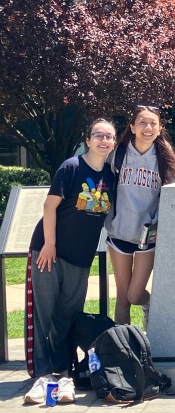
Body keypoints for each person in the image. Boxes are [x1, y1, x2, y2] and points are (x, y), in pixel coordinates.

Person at [24, 119, 116, 404]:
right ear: (88, 140)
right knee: (45, 315)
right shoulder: (71, 167)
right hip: (49, 252)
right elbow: (49, 206)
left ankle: (62, 373)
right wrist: (49, 246)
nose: (103, 140)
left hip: (80, 258)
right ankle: (41, 376)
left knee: (67, 317)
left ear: (114, 144)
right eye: (98, 135)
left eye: (109, 137)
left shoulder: (111, 177)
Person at [105, 105, 175, 328]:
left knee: (134, 295)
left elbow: (172, 197)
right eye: (142, 123)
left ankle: (149, 305)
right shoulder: (117, 154)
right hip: (120, 231)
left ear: (160, 128)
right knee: (122, 297)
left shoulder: (164, 158)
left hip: (148, 235)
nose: (147, 127)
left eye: (153, 123)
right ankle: (124, 354)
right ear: (132, 127)